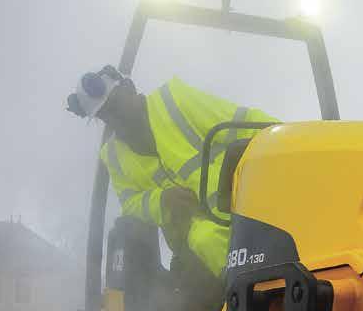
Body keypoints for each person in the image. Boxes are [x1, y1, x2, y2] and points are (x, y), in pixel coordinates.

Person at [67, 68, 277, 278]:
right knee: (205, 241)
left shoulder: (174, 100)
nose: (116, 116)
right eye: (106, 114)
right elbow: (130, 204)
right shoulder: (113, 157)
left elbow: (243, 121)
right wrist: (162, 201)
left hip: (246, 209)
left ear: (129, 88)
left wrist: (288, 140)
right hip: (194, 244)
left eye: (116, 104)